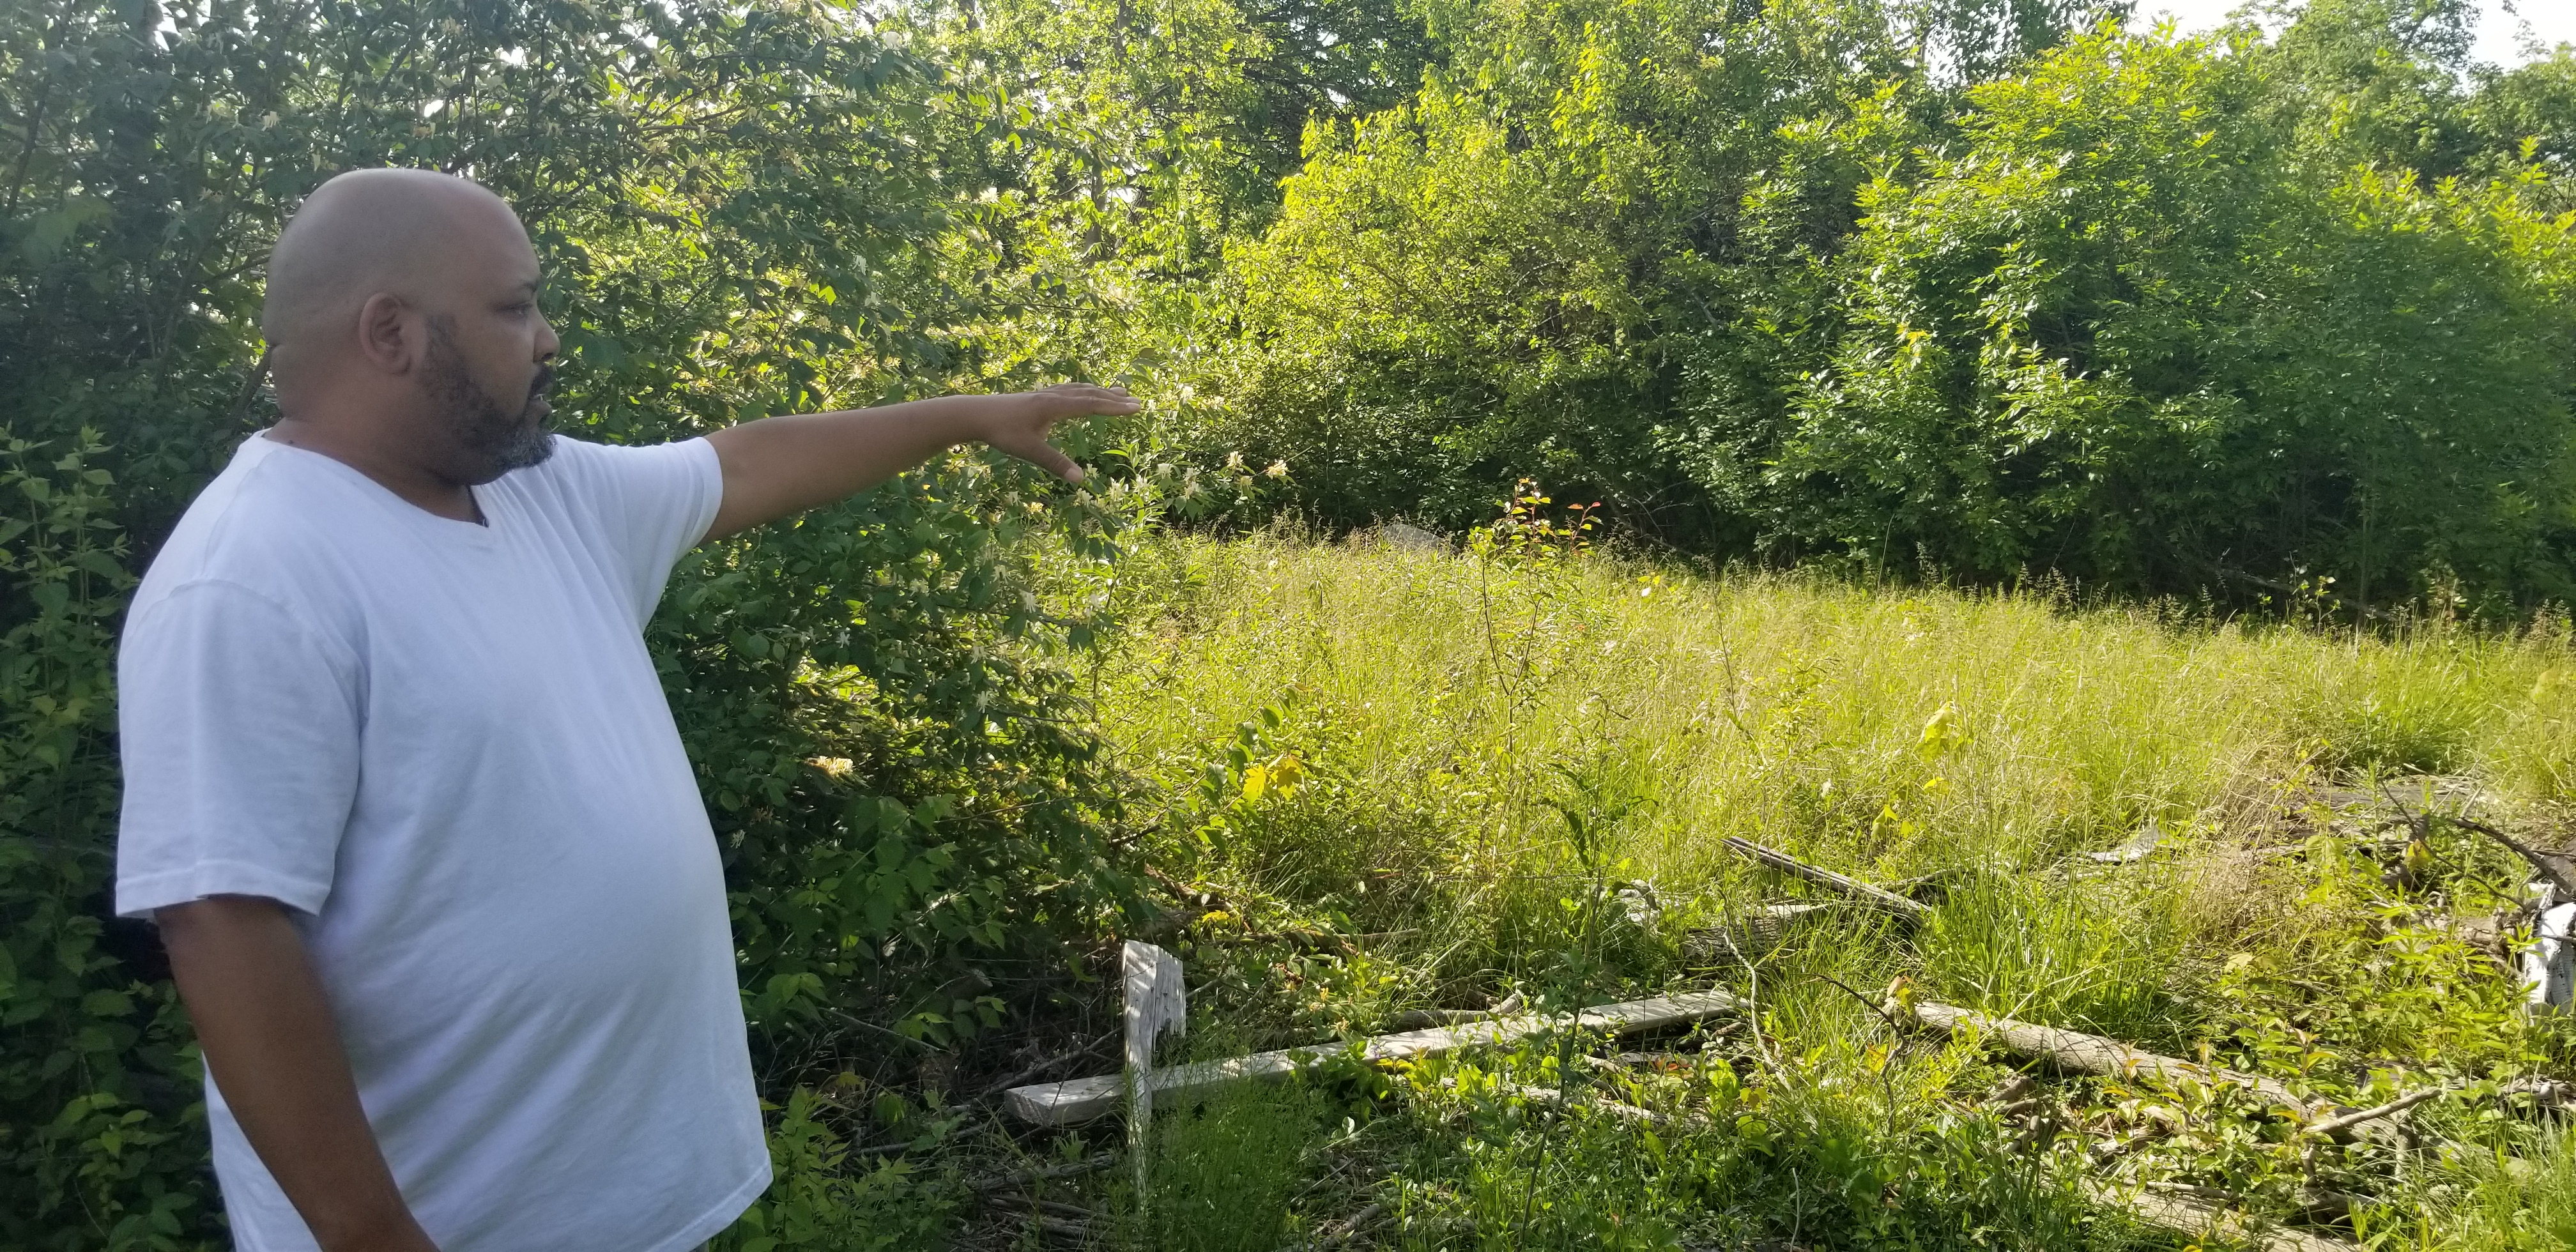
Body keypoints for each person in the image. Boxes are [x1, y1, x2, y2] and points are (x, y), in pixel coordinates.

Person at [112, 167, 1137, 1252]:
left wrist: (965, 417)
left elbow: (740, 468)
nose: (548, 340)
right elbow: (222, 927)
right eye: (515, 308)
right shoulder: (253, 576)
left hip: (630, 1207)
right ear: (390, 333)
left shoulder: (537, 491)